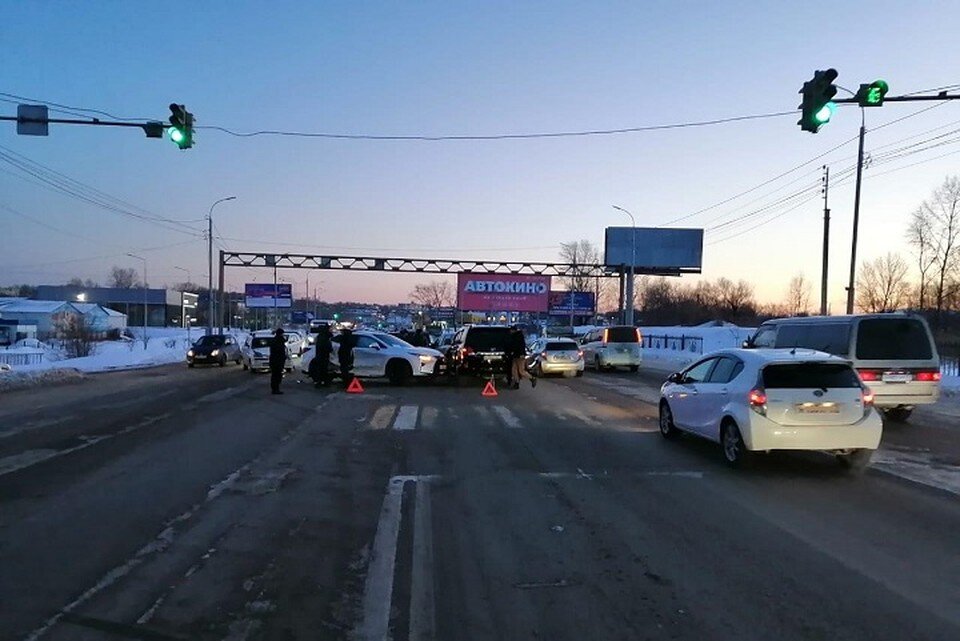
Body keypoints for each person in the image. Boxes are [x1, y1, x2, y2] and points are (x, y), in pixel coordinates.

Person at [269, 328, 288, 395]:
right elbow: (280, 352)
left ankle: (275, 388)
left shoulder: (274, 340)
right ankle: (276, 389)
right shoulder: (279, 341)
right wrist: (284, 357)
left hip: (274, 361)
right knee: (277, 376)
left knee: (275, 375)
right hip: (277, 361)